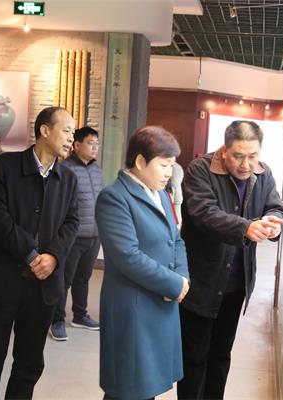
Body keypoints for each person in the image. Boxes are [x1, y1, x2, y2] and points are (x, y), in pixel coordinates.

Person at [0, 107, 79, 399]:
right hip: (0, 281)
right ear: (45, 131)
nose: (71, 138)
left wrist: (53, 257)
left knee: (29, 365)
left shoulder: (68, 178)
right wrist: (31, 254)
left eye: (73, 133)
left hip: (42, 286)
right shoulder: (6, 166)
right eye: (67, 130)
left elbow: (71, 222)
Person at [177, 120, 283, 399]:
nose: (246, 164)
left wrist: (274, 222)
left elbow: (276, 206)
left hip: (237, 283)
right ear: (224, 150)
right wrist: (246, 227)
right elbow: (204, 213)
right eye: (238, 156)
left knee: (221, 355)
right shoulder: (200, 169)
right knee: (194, 357)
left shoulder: (264, 173)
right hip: (202, 280)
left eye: (253, 156)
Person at [96, 125, 190, 399]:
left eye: (172, 165)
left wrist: (183, 277)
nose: (169, 172)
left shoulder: (160, 193)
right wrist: (173, 283)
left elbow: (176, 240)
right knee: (128, 388)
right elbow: (127, 255)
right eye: (164, 165)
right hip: (133, 306)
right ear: (140, 161)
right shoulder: (115, 197)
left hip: (159, 301)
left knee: (146, 387)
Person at [49, 126, 103, 340]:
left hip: (94, 235)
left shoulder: (97, 170)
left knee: (83, 277)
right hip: (73, 236)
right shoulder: (65, 169)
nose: (95, 147)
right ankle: (57, 319)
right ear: (77, 145)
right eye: (90, 143)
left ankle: (80, 315)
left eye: (97, 143)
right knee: (64, 279)